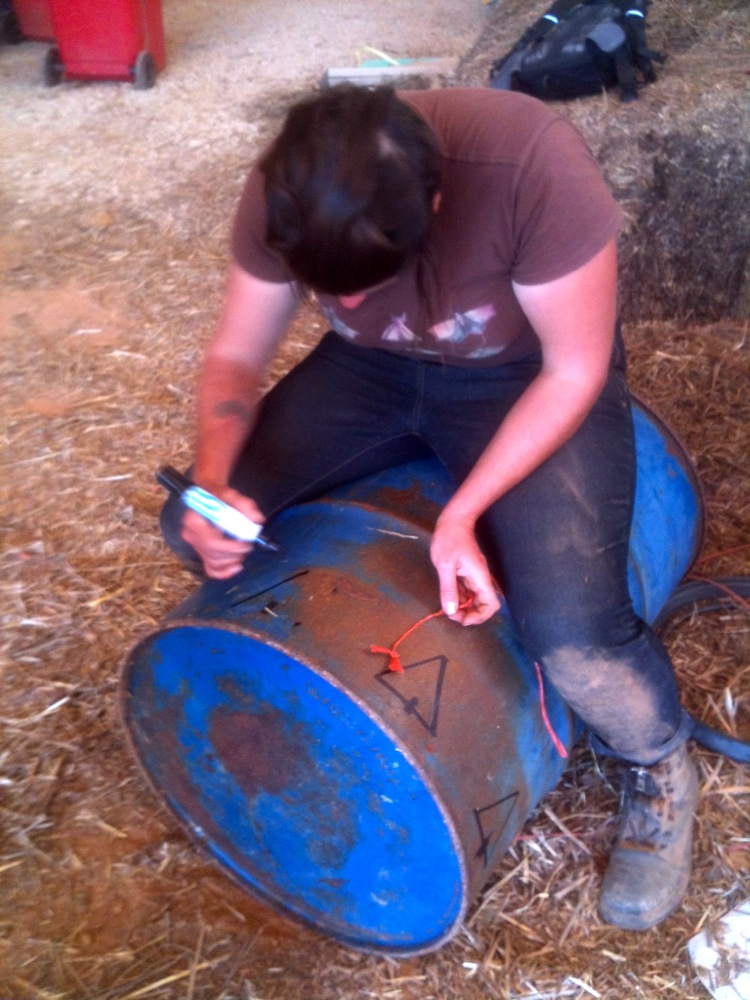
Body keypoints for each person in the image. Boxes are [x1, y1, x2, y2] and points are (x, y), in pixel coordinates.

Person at [161, 84, 698, 930]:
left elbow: (574, 368)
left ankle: (657, 762)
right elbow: (236, 350)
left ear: (436, 204)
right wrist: (217, 484)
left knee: (574, 634)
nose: (340, 308)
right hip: (369, 378)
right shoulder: (292, 186)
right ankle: (302, 641)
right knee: (191, 529)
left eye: (361, 285)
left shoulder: (528, 164)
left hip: (519, 378)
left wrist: (462, 516)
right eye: (324, 292)